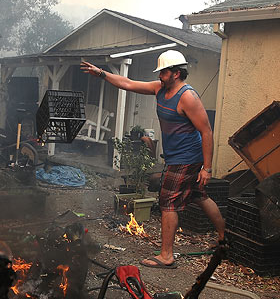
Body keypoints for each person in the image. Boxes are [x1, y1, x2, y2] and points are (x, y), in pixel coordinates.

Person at [80, 50, 225, 268]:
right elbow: (128, 83)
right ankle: (225, 238)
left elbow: (206, 132)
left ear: (176, 73)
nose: (159, 75)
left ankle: (167, 256)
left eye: (163, 71)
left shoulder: (188, 97)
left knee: (167, 202)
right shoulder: (160, 89)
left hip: (187, 157)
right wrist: (101, 74)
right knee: (199, 195)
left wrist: (207, 168)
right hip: (177, 156)